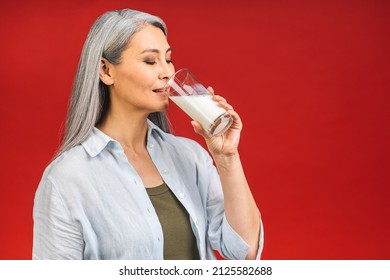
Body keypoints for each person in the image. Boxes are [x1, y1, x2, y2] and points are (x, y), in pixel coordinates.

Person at [33, 8, 264, 260]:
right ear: (106, 71)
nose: (167, 73)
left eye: (168, 59)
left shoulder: (191, 157)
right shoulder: (67, 179)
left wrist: (227, 157)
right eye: (150, 61)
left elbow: (245, 253)